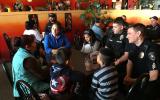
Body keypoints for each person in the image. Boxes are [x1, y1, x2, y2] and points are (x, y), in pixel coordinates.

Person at [124, 23, 160, 100]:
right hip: (135, 80)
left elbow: (153, 76)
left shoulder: (151, 49)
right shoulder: (132, 45)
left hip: (146, 85)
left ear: (138, 34)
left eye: (129, 33)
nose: (127, 36)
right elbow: (130, 61)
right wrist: (128, 76)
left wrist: (132, 81)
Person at [105, 18, 129, 94]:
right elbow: (106, 48)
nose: (113, 29)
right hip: (111, 60)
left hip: (122, 63)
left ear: (121, 27)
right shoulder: (111, 33)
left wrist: (117, 62)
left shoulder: (127, 36)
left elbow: (126, 55)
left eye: (115, 27)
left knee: (120, 86)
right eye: (113, 27)